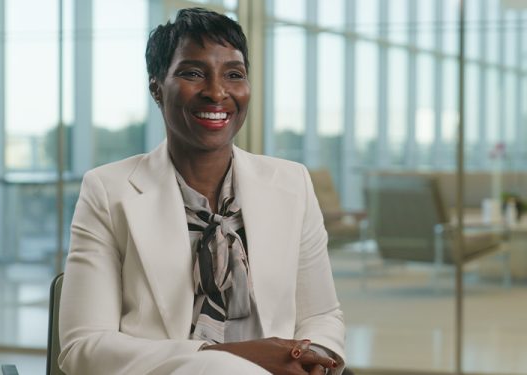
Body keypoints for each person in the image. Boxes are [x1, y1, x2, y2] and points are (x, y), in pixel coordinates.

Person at [57, 7, 346, 375]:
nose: (216, 92)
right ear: (157, 89)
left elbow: (322, 314)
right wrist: (231, 357)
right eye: (193, 73)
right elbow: (84, 348)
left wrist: (311, 358)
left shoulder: (292, 184)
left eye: (234, 74)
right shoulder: (108, 191)